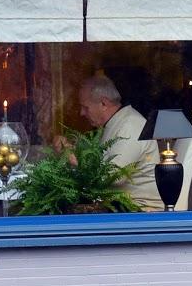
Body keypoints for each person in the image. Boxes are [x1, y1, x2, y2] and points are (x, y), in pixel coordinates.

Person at [64, 74, 163, 212]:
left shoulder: (131, 125)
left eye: (85, 107)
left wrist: (77, 161)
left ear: (103, 104)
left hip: (139, 212)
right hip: (120, 209)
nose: (82, 113)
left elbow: (113, 176)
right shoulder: (117, 123)